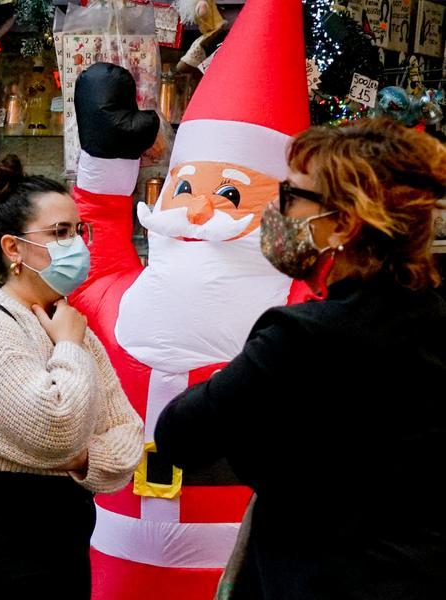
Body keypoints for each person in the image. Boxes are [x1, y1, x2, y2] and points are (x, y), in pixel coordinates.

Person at [155, 118, 446, 600]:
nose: (274, 208)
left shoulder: (302, 336)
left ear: (343, 225)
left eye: (291, 196)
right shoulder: (431, 316)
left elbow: (179, 435)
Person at [0, 155, 144, 600]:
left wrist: (80, 460)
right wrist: (67, 349)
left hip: (57, 531)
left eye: (80, 231)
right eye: (60, 233)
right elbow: (54, 428)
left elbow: (128, 440)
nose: (77, 244)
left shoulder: (71, 325)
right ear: (14, 248)